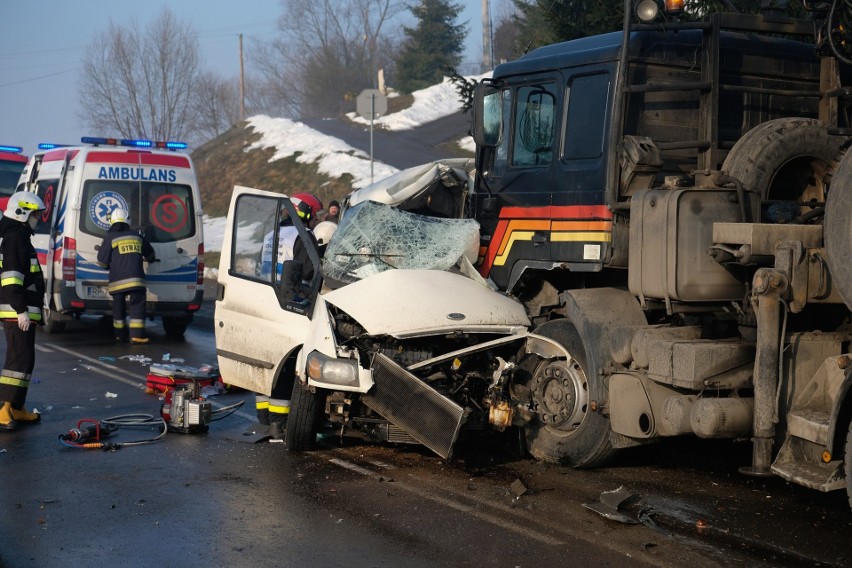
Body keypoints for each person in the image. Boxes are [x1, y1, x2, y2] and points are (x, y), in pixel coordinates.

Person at [256, 197, 320, 438]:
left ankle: (263, 419)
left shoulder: (272, 234)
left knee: (267, 362)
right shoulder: (302, 235)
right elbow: (309, 271)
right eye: (314, 213)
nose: (316, 219)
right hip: (292, 304)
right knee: (286, 366)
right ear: (303, 212)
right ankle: (280, 425)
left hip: (266, 300)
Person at [0, 192, 47, 430]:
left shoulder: (19, 236)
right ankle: (4, 409)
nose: (37, 219)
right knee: (17, 360)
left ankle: (17, 408)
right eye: (35, 215)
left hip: (21, 310)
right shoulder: (14, 238)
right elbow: (11, 278)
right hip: (15, 311)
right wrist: (21, 310)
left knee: (26, 359)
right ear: (22, 212)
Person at [96, 208, 156, 344]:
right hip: (136, 281)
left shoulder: (110, 237)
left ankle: (119, 335)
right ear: (128, 220)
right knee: (137, 307)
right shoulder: (137, 236)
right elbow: (151, 254)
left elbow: (102, 261)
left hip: (117, 282)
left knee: (118, 309)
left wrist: (108, 265)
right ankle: (136, 336)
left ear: (112, 222)